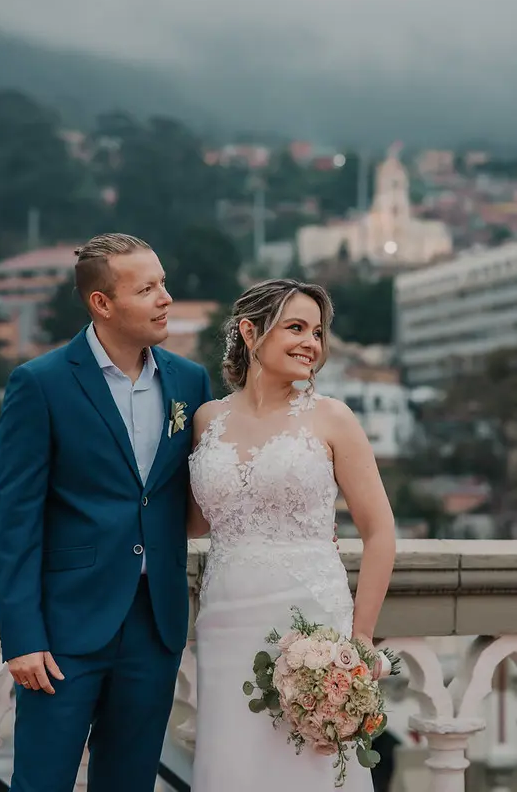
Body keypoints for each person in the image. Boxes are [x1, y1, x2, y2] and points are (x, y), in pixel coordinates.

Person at [0, 233, 212, 792]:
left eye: (163, 283)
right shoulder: (39, 384)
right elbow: (15, 521)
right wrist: (19, 637)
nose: (166, 297)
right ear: (102, 304)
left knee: (130, 783)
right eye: (147, 288)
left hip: (154, 625)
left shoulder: (189, 382)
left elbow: (199, 495)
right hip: (63, 631)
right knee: (41, 783)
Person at [188, 279, 396, 791]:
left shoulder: (332, 418)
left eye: (319, 332)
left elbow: (380, 531)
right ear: (250, 331)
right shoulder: (206, 420)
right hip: (224, 625)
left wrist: (361, 640)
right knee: (232, 766)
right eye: (297, 327)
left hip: (311, 623)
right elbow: (193, 523)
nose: (312, 343)